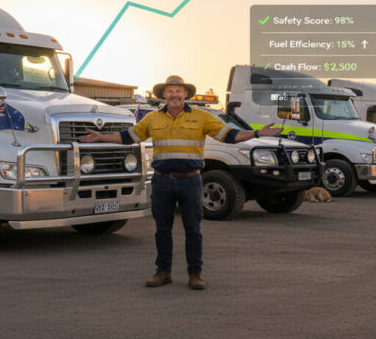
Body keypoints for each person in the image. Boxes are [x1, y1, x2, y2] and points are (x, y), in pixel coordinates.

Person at [80, 75, 280, 290]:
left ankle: (195, 274)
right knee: (162, 230)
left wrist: (257, 133)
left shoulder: (202, 117)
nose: (174, 94)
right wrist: (100, 137)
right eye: (170, 91)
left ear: (185, 94)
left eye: (178, 91)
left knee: (193, 230)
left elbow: (230, 136)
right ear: (164, 95)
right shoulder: (152, 119)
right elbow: (127, 137)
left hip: (191, 181)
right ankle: (163, 272)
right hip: (162, 182)